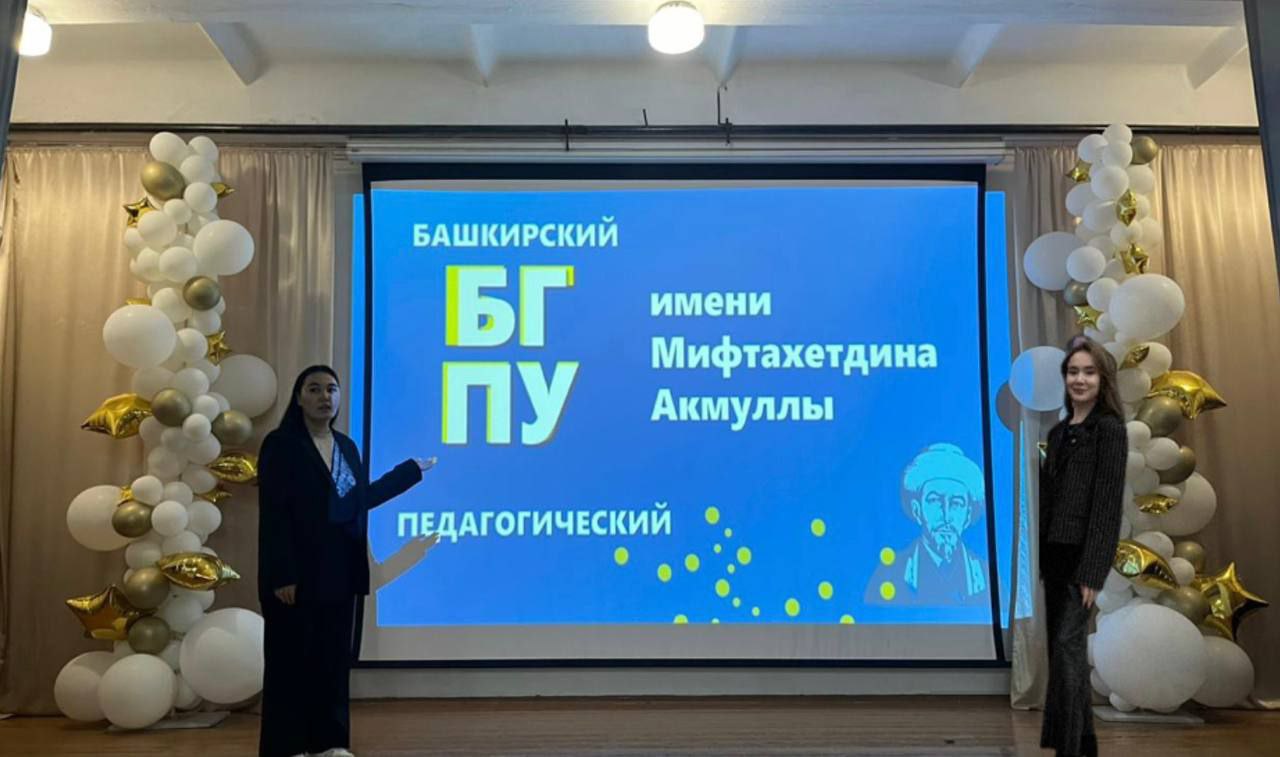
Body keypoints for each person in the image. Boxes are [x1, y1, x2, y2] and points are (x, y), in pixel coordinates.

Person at [257, 365, 435, 757]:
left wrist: (408, 472)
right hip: (297, 574)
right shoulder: (281, 445)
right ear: (299, 397)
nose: (325, 397)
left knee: (333, 663)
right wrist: (283, 573)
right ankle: (288, 746)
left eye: (331, 389)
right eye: (314, 389)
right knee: (292, 663)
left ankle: (331, 743)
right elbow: (274, 514)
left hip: (339, 571)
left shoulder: (346, 447)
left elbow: (356, 502)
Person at [1039, 338, 1127, 757]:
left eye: (1089, 372)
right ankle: (1083, 743)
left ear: (1102, 379)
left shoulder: (1108, 430)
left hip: (1081, 559)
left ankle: (1069, 749)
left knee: (1068, 651)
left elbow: (1107, 505)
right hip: (1053, 557)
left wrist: (1093, 570)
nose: (1080, 379)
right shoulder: (1058, 433)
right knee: (1063, 654)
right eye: (1073, 371)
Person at [865, 443, 989, 607]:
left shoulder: (985, 577)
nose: (946, 516)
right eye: (935, 500)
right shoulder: (890, 575)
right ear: (917, 510)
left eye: (956, 503)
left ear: (967, 516)